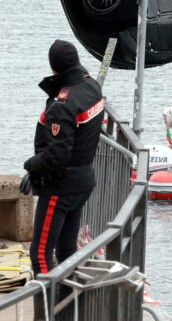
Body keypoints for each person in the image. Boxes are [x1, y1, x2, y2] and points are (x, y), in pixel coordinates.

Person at [22, 40, 104, 280]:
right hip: (83, 179)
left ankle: (49, 313)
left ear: (53, 67)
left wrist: (31, 166)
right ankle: (67, 307)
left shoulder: (63, 104)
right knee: (67, 250)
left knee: (40, 254)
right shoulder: (92, 87)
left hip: (61, 186)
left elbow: (58, 155)